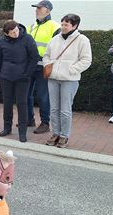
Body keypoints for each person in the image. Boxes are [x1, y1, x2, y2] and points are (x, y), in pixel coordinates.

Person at [42, 14, 92, 148]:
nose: (63, 27)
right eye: (62, 24)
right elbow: (46, 55)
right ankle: (55, 133)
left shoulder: (82, 40)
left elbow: (86, 60)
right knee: (54, 108)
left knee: (65, 109)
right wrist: (48, 65)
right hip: (53, 78)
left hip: (69, 80)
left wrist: (71, 70)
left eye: (66, 24)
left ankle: (64, 135)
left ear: (74, 26)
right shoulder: (55, 39)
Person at [0, 20, 39, 142]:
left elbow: (34, 57)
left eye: (17, 30)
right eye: (13, 32)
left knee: (22, 103)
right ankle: (7, 128)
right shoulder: (1, 41)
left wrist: (27, 73)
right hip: (6, 77)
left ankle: (22, 132)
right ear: (6, 33)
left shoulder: (27, 39)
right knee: (7, 103)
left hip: (22, 78)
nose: (16, 33)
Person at [27, 0, 61, 134]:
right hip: (30, 66)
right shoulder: (32, 26)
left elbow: (57, 49)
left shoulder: (55, 27)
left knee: (43, 96)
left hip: (44, 67)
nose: (36, 10)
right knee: (25, 94)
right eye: (36, 8)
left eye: (39, 8)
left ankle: (45, 123)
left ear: (48, 10)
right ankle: (29, 119)